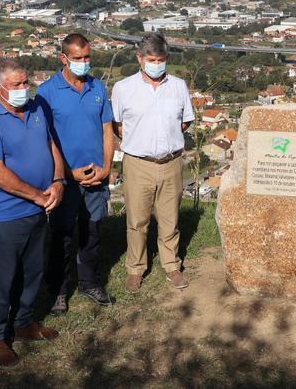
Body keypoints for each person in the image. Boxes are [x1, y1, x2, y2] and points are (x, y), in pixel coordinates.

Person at [0, 58, 65, 366]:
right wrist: (37, 196)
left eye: (26, 83)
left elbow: (52, 146)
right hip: (7, 211)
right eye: (17, 85)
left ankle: (24, 322)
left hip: (40, 206)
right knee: (2, 277)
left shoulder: (36, 108)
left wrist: (58, 181)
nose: (25, 89)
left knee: (33, 269)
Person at [111, 31, 194, 292]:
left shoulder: (178, 86)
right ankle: (135, 269)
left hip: (171, 162)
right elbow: (117, 125)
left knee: (170, 220)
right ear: (139, 58)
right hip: (138, 163)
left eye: (161, 59)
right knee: (137, 221)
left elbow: (186, 120)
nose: (156, 64)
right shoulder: (123, 88)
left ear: (166, 58)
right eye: (151, 59)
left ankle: (172, 265)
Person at [40, 33, 116, 314]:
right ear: (64, 58)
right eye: (78, 58)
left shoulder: (98, 87)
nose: (84, 63)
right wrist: (65, 174)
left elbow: (107, 130)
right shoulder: (47, 93)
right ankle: (58, 288)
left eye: (87, 58)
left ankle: (89, 281)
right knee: (61, 234)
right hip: (65, 178)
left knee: (92, 231)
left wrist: (106, 168)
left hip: (96, 175)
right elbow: (45, 140)